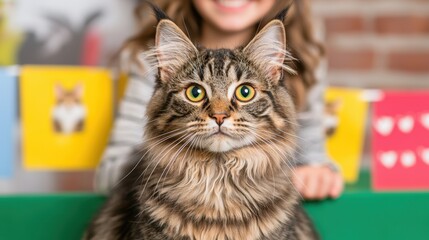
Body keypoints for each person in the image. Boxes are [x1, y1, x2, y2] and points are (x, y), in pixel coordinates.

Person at [96, 0, 344, 200]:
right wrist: (181, 166)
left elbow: (313, 158)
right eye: (196, 93)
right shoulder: (155, 57)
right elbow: (110, 174)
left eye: (244, 93)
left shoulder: (303, 60)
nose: (219, 113)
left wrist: (319, 174)